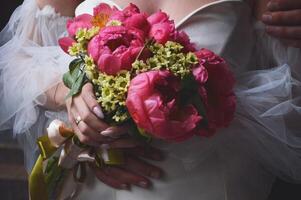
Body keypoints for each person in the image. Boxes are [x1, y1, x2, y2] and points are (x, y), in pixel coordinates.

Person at [0, 0, 300, 199]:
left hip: (204, 181)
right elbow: (19, 58)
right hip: (94, 181)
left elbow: (288, 92)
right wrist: (73, 96)